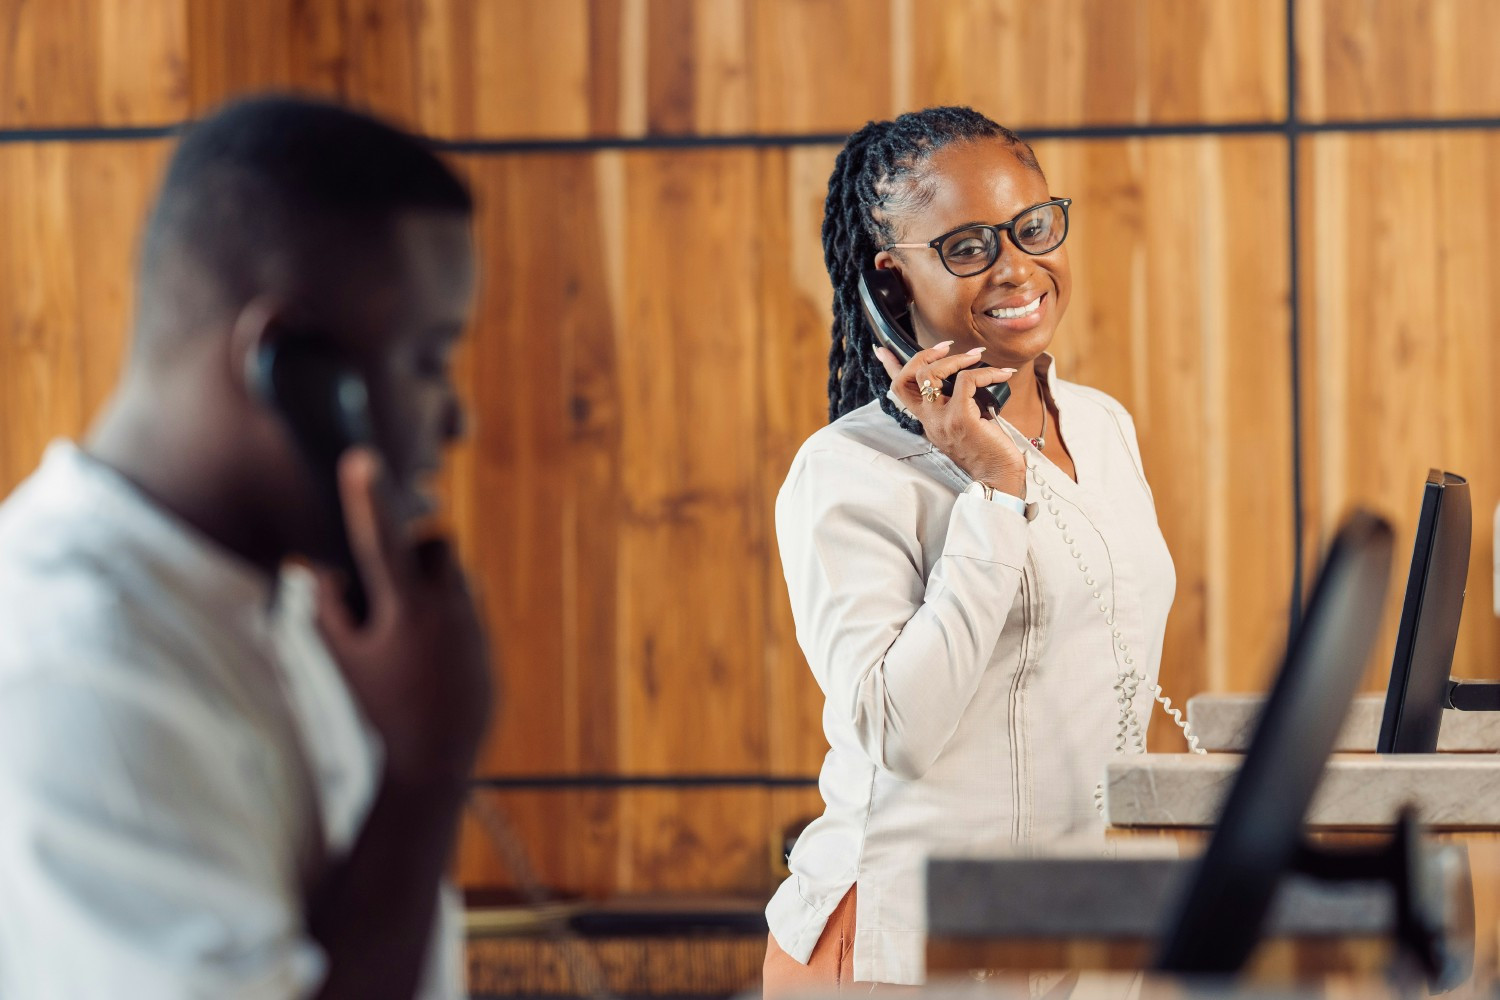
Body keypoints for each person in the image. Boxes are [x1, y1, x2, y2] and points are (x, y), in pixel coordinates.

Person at [0, 95, 490, 999]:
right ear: (290, 369)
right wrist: (426, 771)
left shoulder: (282, 610)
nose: (457, 418)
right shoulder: (74, 665)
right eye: (429, 360)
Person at [762, 106, 1186, 991]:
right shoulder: (847, 471)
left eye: (1033, 228)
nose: (1017, 267)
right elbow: (898, 733)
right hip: (908, 948)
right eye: (967, 247)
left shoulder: (1103, 427)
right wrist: (991, 489)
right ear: (890, 282)